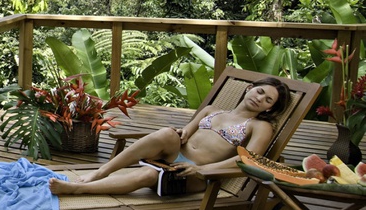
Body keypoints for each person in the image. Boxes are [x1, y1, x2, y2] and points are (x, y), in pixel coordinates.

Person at [48, 77, 290, 196]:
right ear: (249, 88)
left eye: (268, 100)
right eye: (259, 91)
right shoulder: (212, 110)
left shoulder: (260, 126)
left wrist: (203, 171)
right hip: (175, 155)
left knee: (148, 173)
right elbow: (186, 134)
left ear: (269, 108)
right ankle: (99, 172)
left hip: (195, 173)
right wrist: (181, 133)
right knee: (167, 133)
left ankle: (77, 190)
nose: (260, 98)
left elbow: (249, 160)